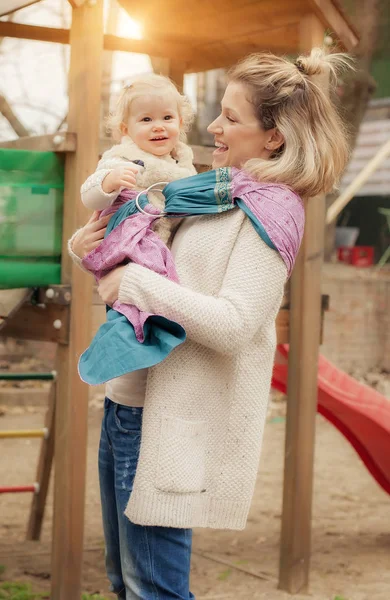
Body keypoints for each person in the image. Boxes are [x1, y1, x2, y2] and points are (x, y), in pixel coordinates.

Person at [69, 48, 351, 600]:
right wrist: (89, 249)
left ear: (273, 137)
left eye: (231, 117)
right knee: (124, 584)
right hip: (128, 404)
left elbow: (235, 323)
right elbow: (154, 261)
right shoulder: (212, 194)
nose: (213, 126)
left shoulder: (270, 211)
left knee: (154, 590)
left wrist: (133, 285)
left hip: (169, 419)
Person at [78, 73, 196, 385]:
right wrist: (109, 181)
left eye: (167, 117)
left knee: (153, 307)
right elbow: (88, 194)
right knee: (126, 311)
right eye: (146, 119)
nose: (159, 126)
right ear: (125, 130)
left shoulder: (185, 167)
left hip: (162, 247)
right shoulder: (121, 159)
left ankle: (147, 343)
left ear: (180, 123)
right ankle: (112, 350)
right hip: (128, 243)